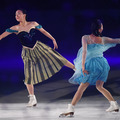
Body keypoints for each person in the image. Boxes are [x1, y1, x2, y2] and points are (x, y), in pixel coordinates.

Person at [0, 9, 75, 107]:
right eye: (15, 15)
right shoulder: (15, 28)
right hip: (27, 52)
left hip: (39, 47)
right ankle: (32, 98)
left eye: (18, 14)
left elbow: (44, 31)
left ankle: (76, 69)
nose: (16, 16)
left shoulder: (33, 23)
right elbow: (1, 36)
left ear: (24, 15)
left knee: (57, 57)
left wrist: (53, 39)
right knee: (28, 75)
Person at [59, 19, 120, 117]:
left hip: (92, 65)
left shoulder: (85, 38)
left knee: (81, 88)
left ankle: (71, 108)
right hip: (103, 64)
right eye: (102, 26)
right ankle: (114, 104)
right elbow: (117, 40)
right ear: (99, 29)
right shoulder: (104, 39)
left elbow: (84, 52)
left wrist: (83, 66)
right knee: (99, 86)